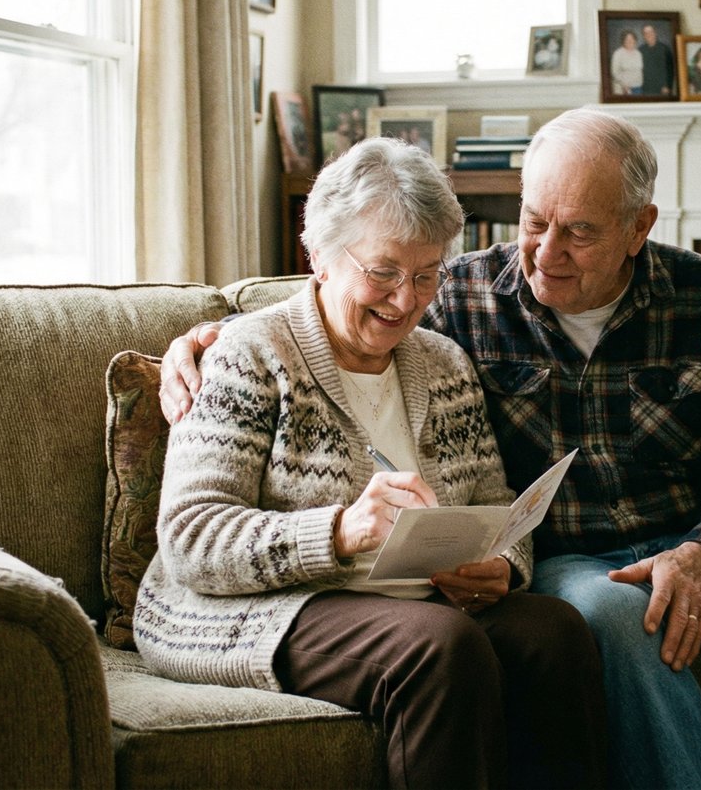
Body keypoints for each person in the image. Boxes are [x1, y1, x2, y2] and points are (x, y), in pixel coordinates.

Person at [160, 109, 701, 789]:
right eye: (533, 220)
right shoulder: (463, 292)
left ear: (638, 227)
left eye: (579, 231)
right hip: (579, 557)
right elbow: (342, 287)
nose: (545, 252)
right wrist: (198, 340)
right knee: (610, 617)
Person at [137, 137, 608, 789]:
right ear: (322, 258)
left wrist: (500, 566)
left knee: (554, 631)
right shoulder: (248, 355)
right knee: (440, 646)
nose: (406, 299)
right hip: (260, 605)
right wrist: (336, 532)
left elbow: (494, 501)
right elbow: (191, 538)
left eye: (426, 274)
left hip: (412, 600)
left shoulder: (443, 364)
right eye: (384, 272)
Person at [639, 23, 675, 97]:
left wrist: (667, 86)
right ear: (644, 36)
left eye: (651, 32)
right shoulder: (640, 50)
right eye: (646, 33)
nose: (649, 34)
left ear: (655, 33)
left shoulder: (665, 49)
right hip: (645, 88)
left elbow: (670, 70)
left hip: (662, 89)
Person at [611, 29, 643, 96]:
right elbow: (615, 72)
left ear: (635, 40)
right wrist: (624, 85)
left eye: (632, 39)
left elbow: (640, 70)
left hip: (638, 87)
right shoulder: (618, 53)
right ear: (623, 41)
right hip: (624, 89)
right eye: (627, 39)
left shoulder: (638, 53)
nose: (630, 41)